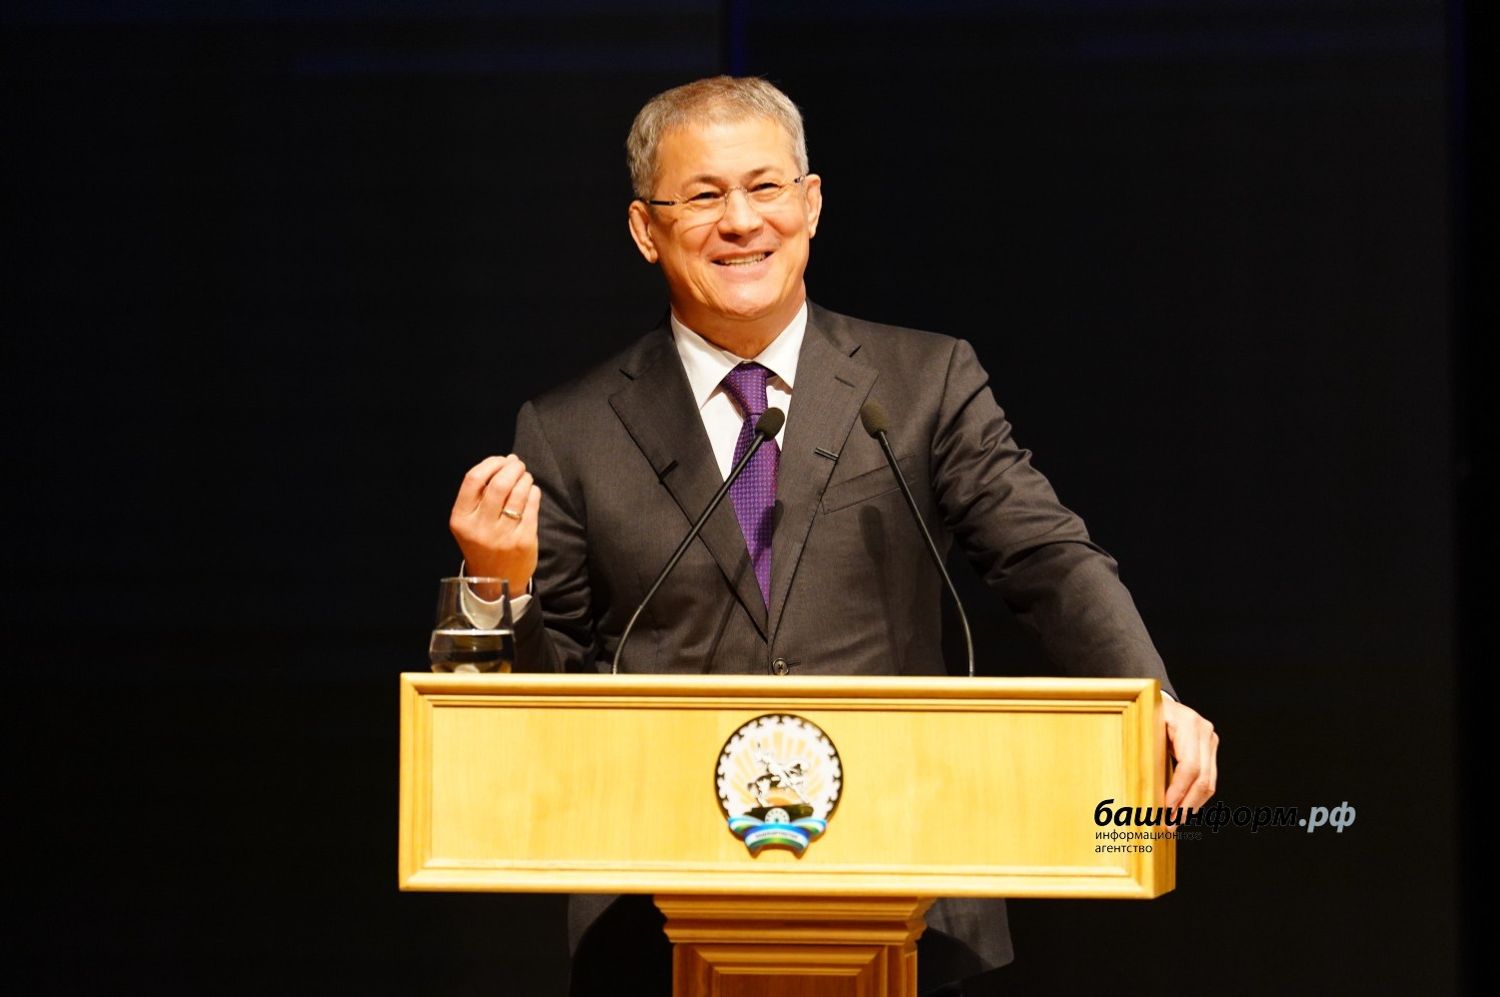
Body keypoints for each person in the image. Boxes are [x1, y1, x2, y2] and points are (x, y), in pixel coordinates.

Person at [449, 75, 1218, 996]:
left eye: (765, 187)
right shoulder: (569, 431)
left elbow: (1044, 555)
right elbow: (546, 715)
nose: (742, 221)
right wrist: (497, 585)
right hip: (657, 922)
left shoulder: (924, 381)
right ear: (646, 229)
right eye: (703, 196)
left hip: (909, 893)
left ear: (811, 204)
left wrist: (1147, 694)